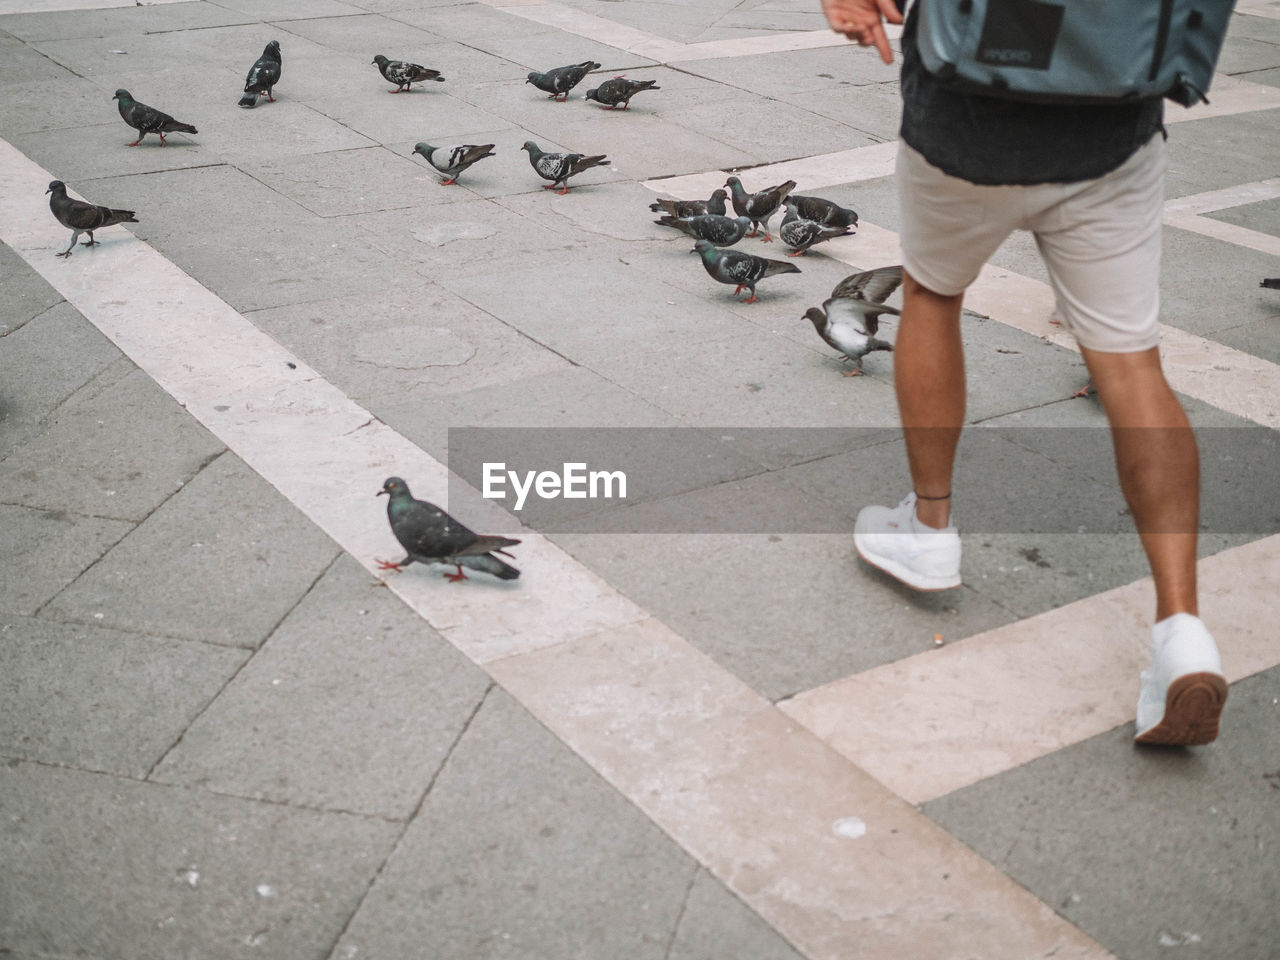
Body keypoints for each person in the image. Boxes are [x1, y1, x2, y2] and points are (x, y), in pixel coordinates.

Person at [820, 0, 1229, 745]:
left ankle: (931, 529)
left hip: (963, 124)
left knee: (934, 296)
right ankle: (1182, 632)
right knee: (1133, 368)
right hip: (1111, 125)